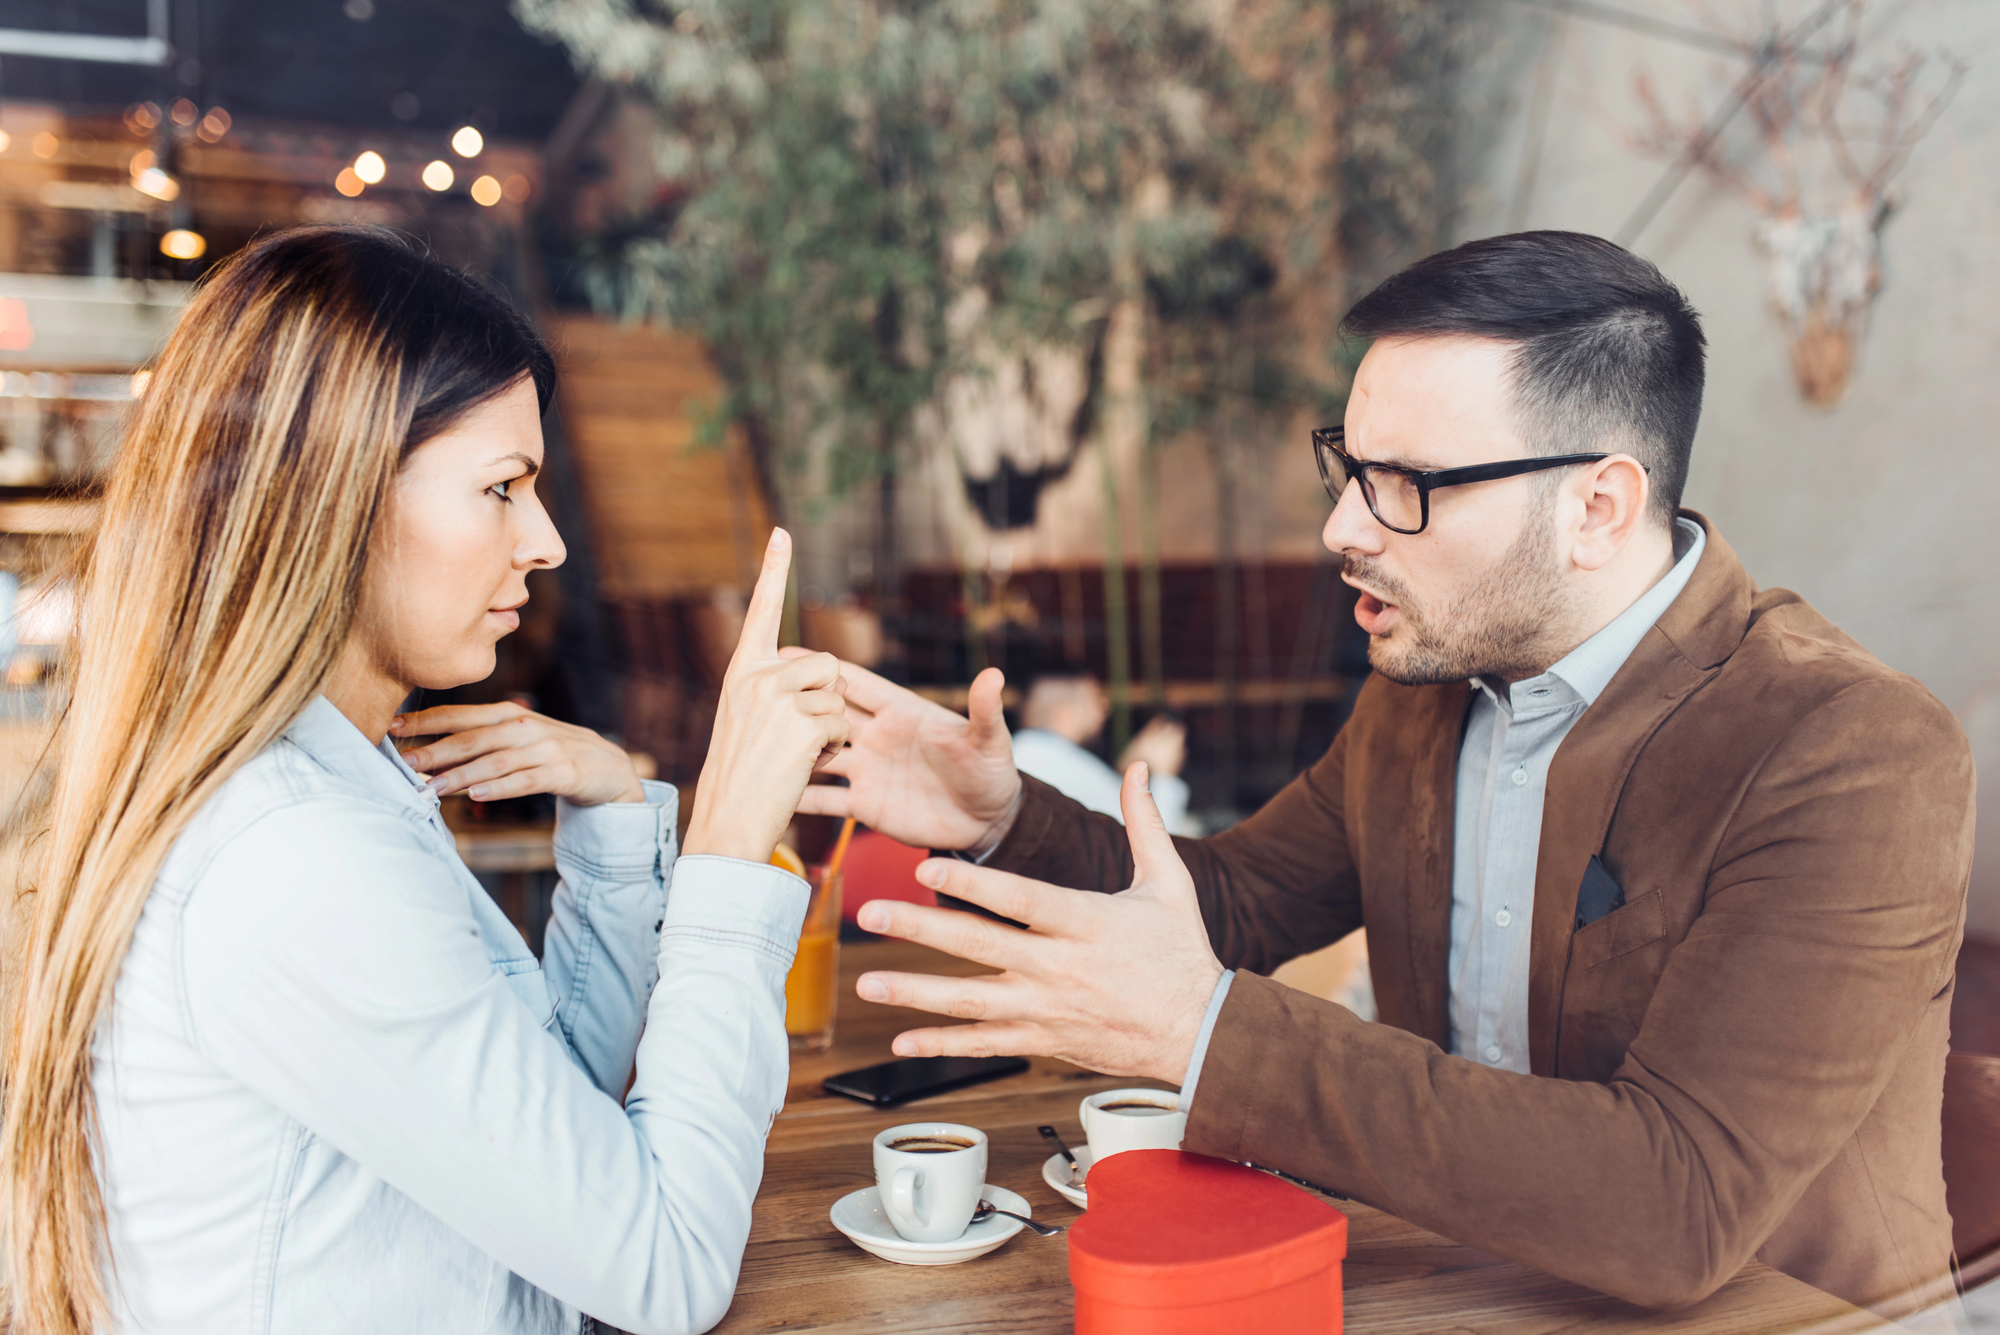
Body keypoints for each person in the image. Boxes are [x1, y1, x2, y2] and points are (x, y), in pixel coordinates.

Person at [798, 231, 1976, 1320]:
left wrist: (1207, 1035)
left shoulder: (1847, 750)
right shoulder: (1422, 697)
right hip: (1463, 1287)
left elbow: (1675, 1205)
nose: (1341, 529)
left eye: (1404, 484)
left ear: (1596, 508)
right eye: (1346, 467)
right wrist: (1005, 816)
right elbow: (1228, 908)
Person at [1, 227, 849, 1335]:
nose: (544, 541)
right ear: (335, 503)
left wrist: (606, 819)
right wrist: (728, 848)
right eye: (501, 488)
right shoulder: (293, 858)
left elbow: (561, 1142)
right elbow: (661, 1264)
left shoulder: (326, 792)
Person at [1010, 671, 1196, 835]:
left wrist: (1129, 770)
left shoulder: (1028, 752)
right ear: (1064, 715)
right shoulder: (1055, 760)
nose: (1105, 707)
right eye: (1095, 699)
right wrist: (1165, 776)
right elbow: (1152, 842)